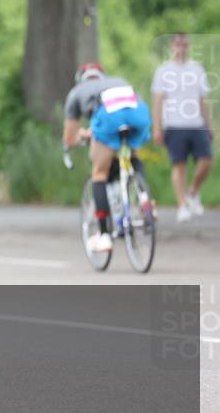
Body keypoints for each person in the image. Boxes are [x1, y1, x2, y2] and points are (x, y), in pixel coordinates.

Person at [63, 63, 152, 253]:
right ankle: (146, 201)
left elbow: (69, 138)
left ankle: (104, 235)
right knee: (131, 155)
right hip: (138, 114)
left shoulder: (76, 92)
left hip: (108, 118)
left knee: (99, 174)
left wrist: (85, 136)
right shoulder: (118, 81)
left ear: (81, 78)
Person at [152, 33, 213, 223]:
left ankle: (192, 192)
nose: (181, 47)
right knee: (179, 165)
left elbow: (203, 100)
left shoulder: (197, 69)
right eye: (178, 43)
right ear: (172, 46)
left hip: (196, 123)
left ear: (189, 46)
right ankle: (182, 205)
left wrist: (209, 125)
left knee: (207, 160)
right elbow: (158, 101)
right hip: (174, 124)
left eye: (184, 43)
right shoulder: (164, 71)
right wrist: (157, 127)